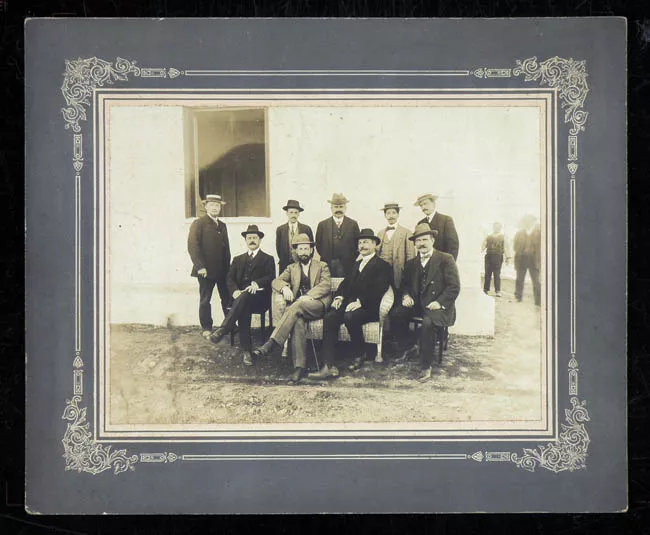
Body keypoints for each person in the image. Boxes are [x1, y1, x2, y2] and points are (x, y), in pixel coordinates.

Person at [309, 229, 391, 379]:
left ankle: (360, 353)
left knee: (350, 316)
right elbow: (345, 283)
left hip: (369, 307)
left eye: (366, 242)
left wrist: (360, 302)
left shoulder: (382, 265)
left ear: (374, 244)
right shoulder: (356, 263)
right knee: (330, 317)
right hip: (349, 304)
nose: (362, 245)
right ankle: (328, 365)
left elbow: (380, 289)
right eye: (360, 243)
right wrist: (339, 297)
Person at [253, 234, 332, 384]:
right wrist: (284, 288)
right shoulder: (292, 268)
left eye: (306, 249)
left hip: (317, 305)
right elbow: (276, 281)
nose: (303, 252)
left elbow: (326, 285)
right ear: (296, 251)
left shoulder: (322, 266)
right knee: (297, 322)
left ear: (311, 250)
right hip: (298, 310)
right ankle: (299, 368)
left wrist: (308, 296)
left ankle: (272, 342)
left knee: (296, 306)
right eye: (300, 249)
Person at [390, 223, 461, 382]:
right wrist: (406, 296)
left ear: (432, 240)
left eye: (424, 240)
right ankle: (409, 346)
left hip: (438, 306)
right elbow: (405, 285)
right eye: (418, 241)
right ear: (414, 243)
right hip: (417, 305)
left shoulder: (445, 259)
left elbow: (454, 287)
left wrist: (439, 302)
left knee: (428, 324)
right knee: (396, 314)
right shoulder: (411, 263)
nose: (421, 243)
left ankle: (425, 365)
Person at [210, 225, 275, 366]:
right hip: (241, 298)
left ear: (260, 240)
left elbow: (271, 277)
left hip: (260, 299)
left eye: (255, 238)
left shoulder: (268, 259)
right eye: (249, 238)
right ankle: (247, 351)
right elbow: (229, 278)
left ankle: (224, 329)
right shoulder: (238, 259)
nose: (252, 240)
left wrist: (257, 283)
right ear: (245, 240)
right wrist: (234, 291)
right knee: (243, 305)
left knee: (243, 300)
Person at [187, 194, 231, 339]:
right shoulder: (199, 223)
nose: (214, 208)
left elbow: (226, 249)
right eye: (211, 205)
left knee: (227, 298)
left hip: (223, 270)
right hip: (205, 271)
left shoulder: (222, 225)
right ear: (206, 207)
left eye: (217, 205)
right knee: (205, 299)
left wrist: (228, 269)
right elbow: (193, 246)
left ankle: (229, 325)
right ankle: (206, 327)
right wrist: (200, 266)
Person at [315, 193, 360, 277]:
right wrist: (327, 258)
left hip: (348, 265)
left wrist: (350, 258)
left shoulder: (353, 224)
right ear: (331, 208)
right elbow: (318, 244)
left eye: (341, 207)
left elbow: (358, 245)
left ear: (345, 208)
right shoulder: (322, 225)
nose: (338, 209)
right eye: (336, 207)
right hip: (327, 264)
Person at [376, 202, 415, 295]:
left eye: (393, 213)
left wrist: (407, 274)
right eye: (388, 213)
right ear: (385, 215)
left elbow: (411, 257)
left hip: (398, 273)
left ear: (398, 214)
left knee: (398, 296)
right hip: (382, 272)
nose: (391, 216)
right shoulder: (380, 233)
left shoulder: (407, 232)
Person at [414, 193, 459, 260]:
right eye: (421, 205)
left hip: (442, 262)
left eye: (425, 204)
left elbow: (453, 245)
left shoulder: (445, 220)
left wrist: (449, 263)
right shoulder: (420, 223)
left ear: (433, 204)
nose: (423, 207)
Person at [275, 199, 314, 274]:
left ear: (299, 214)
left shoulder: (306, 229)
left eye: (296, 212)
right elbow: (279, 249)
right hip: (285, 265)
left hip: (302, 265)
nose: (293, 215)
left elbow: (311, 248)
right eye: (291, 212)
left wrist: (305, 262)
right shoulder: (280, 230)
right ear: (287, 213)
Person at [513, 214, 541, 306]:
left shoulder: (539, 233)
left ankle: (538, 301)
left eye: (530, 221)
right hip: (522, 259)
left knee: (536, 281)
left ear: (533, 222)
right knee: (519, 279)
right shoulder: (519, 233)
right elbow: (515, 246)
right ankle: (518, 297)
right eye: (527, 221)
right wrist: (520, 252)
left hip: (534, 260)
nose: (528, 223)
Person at [482, 221, 506, 297]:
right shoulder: (489, 236)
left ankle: (497, 291)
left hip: (498, 257)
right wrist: (479, 250)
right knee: (487, 274)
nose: (497, 228)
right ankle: (485, 289)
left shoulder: (503, 237)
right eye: (495, 227)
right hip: (488, 256)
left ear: (500, 228)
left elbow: (506, 247)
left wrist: (508, 258)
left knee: (497, 274)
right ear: (493, 227)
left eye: (498, 227)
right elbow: (483, 245)